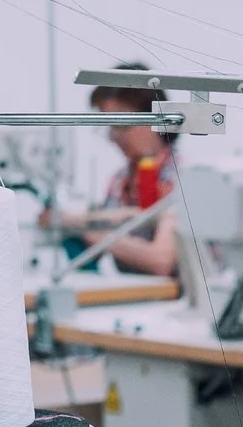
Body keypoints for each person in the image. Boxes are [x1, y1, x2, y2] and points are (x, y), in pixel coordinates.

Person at [50, 66, 181, 278]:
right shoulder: (120, 182)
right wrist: (68, 224)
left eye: (121, 125)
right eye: (110, 126)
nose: (114, 138)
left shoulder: (185, 179)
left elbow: (162, 261)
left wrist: (90, 231)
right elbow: (99, 238)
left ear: (154, 117)